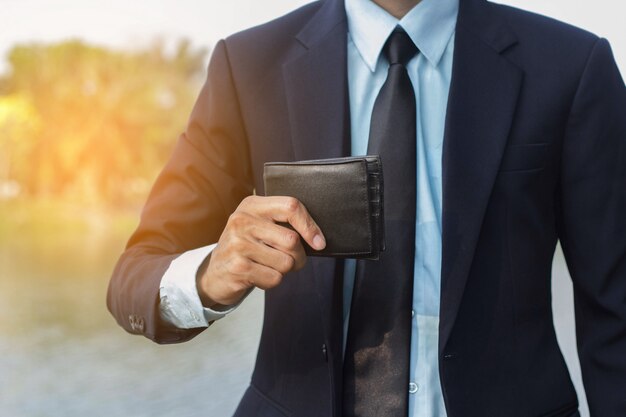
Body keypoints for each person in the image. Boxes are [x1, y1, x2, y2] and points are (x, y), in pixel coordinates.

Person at [107, 0, 626, 415]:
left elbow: (617, 304)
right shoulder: (246, 67)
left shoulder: (572, 65)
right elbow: (135, 273)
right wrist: (206, 276)